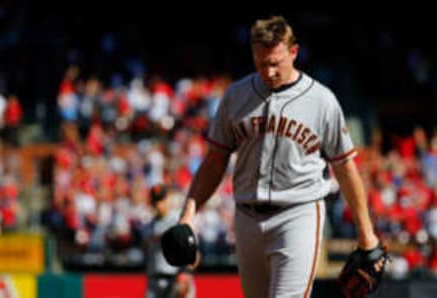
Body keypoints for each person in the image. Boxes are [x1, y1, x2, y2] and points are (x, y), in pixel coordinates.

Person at [178, 15, 382, 298]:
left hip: (297, 214)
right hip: (247, 216)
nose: (270, 71)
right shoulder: (236, 96)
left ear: (293, 52)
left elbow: (345, 168)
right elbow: (214, 161)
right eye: (262, 63)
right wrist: (189, 213)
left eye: (276, 63)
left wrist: (366, 235)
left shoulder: (321, 100)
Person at [141, 184, 196, 298]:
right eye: (155, 200)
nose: (158, 204)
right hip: (154, 281)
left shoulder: (178, 221)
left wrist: (185, 273)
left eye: (160, 199)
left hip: (175, 279)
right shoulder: (147, 226)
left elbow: (195, 253)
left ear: (167, 199)